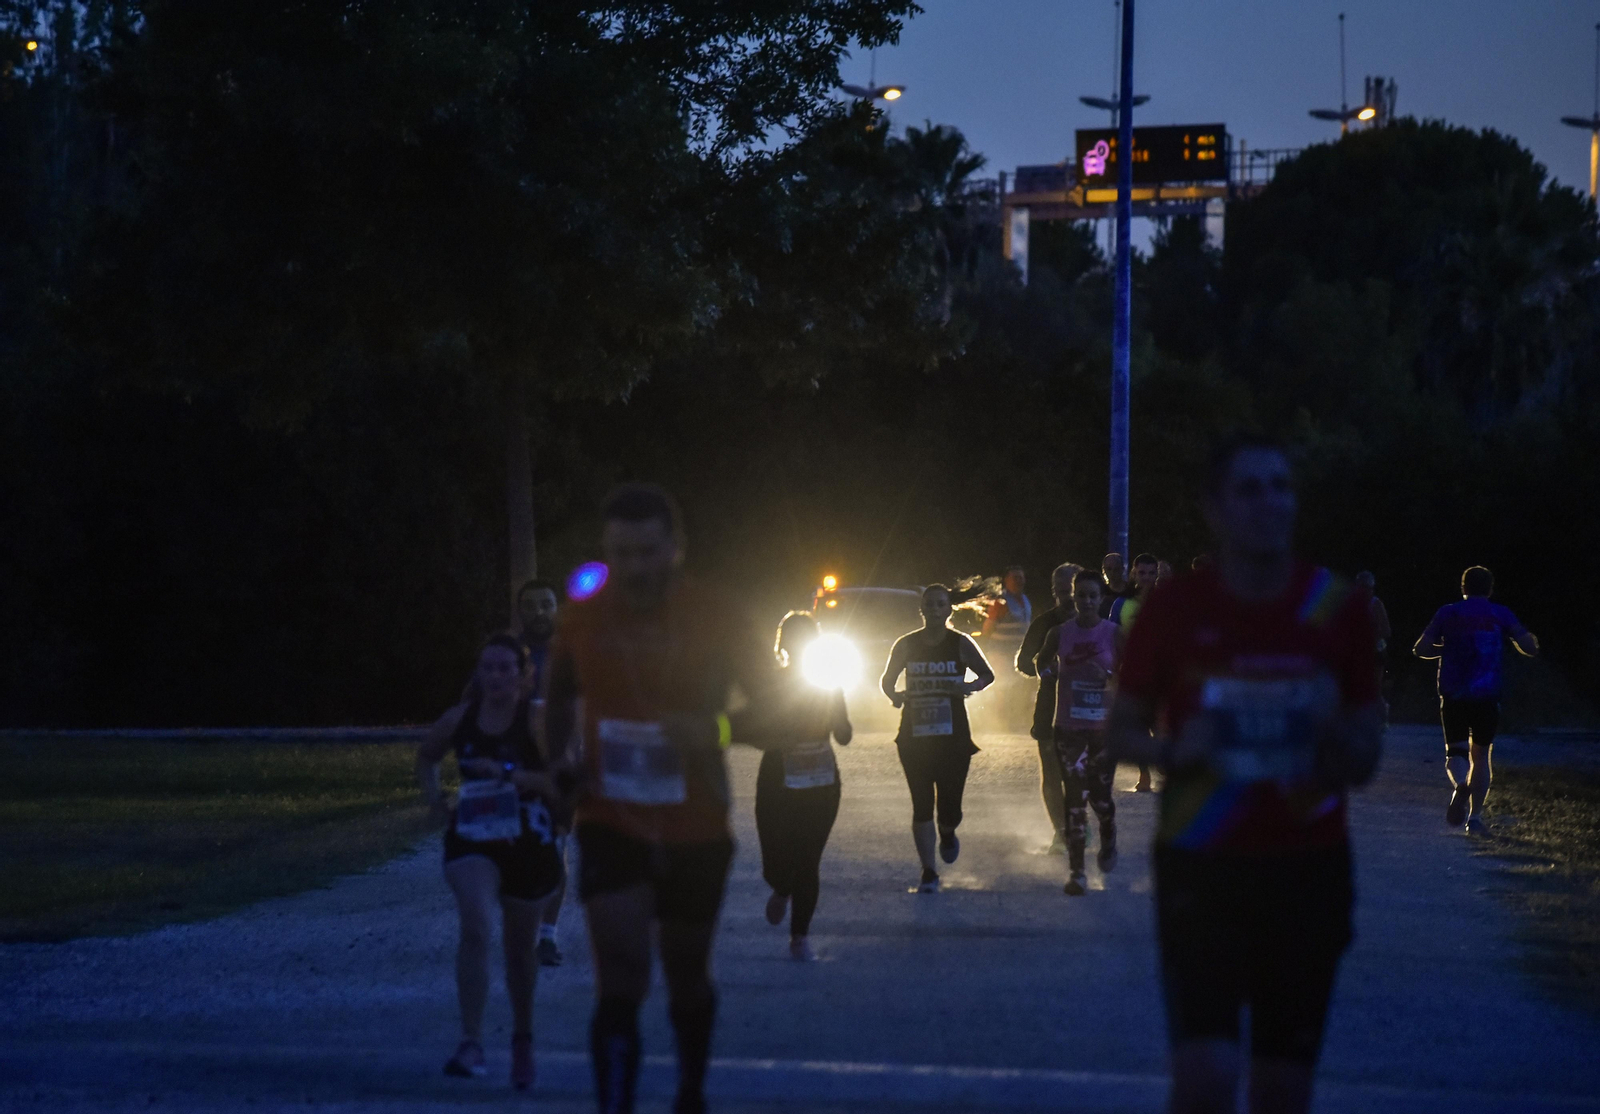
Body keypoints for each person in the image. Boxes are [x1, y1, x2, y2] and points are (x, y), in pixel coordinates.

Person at [1108, 436, 1383, 1114]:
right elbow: (1119, 731)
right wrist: (1175, 753)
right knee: (1205, 1078)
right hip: (1202, 863)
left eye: (1281, 486)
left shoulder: (1334, 608)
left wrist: (1332, 730)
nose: (1271, 502)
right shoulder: (1174, 609)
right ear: (1215, 509)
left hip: (1306, 867)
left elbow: (1366, 757)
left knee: (1282, 1089)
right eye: (1250, 489)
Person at [543, 484, 798, 1114]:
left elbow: (785, 712)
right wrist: (559, 767)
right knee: (622, 972)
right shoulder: (582, 617)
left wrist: (715, 731)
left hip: (695, 823)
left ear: (675, 549)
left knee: (685, 973)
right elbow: (556, 695)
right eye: (620, 553)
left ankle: (690, 1094)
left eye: (647, 552)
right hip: (609, 817)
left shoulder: (720, 616)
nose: (634, 568)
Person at [416, 634, 567, 1090]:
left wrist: (512, 775)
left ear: (525, 676)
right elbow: (426, 757)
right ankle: (471, 1041)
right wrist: (436, 799)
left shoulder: (539, 721)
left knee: (519, 951)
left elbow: (567, 782)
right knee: (476, 925)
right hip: (474, 838)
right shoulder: (458, 719)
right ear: (478, 675)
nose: (496, 677)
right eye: (488, 669)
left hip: (529, 840)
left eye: (506, 669)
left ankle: (522, 1038)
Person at [881, 583, 996, 893]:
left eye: (939, 604)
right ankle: (928, 871)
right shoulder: (905, 645)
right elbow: (886, 681)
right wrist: (895, 696)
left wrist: (970, 686)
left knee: (949, 808)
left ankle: (947, 831)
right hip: (913, 736)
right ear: (921, 609)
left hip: (953, 737)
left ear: (949, 610)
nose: (933, 609)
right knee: (921, 804)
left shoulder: (961, 644)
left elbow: (988, 674)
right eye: (928, 604)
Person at [1413, 566, 1539, 835]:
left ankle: (1460, 784)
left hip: (1453, 693)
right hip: (1487, 694)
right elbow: (1529, 648)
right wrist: (1526, 641)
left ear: (1463, 588)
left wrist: (1444, 649)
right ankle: (1475, 818)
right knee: (1481, 755)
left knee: (1455, 752)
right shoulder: (1500, 613)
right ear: (1490, 589)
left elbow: (1420, 649)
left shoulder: (1448, 612)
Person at [756, 612, 852, 961]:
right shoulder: (769, 683)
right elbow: (755, 730)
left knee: (809, 860)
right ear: (784, 645)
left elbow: (844, 735)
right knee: (774, 858)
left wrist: (835, 717)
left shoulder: (828, 683)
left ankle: (800, 937)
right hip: (776, 780)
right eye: (792, 639)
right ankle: (781, 886)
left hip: (821, 782)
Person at [1035, 571, 1119, 895]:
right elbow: (1039, 664)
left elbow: (1133, 679)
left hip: (1102, 730)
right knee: (1074, 799)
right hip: (1069, 727)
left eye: (1092, 596)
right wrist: (1049, 671)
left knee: (1100, 798)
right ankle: (1077, 872)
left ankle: (1109, 834)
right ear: (1073, 596)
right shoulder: (1059, 633)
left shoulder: (1113, 634)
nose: (1086, 601)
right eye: (1081, 595)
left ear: (1100, 600)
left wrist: (1111, 676)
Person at [1015, 563, 1085, 852]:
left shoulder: (1098, 620)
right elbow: (1023, 661)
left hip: (1087, 705)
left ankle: (1080, 823)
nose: (1064, 595)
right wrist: (1044, 667)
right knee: (1052, 771)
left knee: (1080, 772)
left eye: (1069, 588)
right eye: (1059, 589)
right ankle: (1060, 831)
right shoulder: (1045, 623)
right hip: (1050, 703)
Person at [1111, 553, 1161, 792]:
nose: (1147, 577)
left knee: (1163, 724)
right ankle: (1145, 775)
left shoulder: (1167, 601)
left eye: (1152, 573)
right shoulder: (1122, 603)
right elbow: (1113, 636)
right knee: (1140, 725)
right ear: (1134, 574)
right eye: (1142, 572)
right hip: (1133, 672)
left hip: (1163, 672)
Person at [1355, 571, 1393, 723]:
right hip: (1358, 652)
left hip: (1375, 651)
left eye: (1367, 588)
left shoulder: (1375, 604)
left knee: (1374, 687)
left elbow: (1386, 631)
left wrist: (1371, 632)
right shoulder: (1352, 603)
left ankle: (1382, 718)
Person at [982, 566, 1033, 640]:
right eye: (1015, 578)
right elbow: (988, 629)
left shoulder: (1026, 599)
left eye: (1021, 578)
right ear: (1006, 580)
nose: (1018, 581)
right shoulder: (1000, 601)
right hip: (1001, 649)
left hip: (1020, 649)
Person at [1098, 553, 1129, 619]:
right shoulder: (1100, 592)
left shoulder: (1131, 591)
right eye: (1109, 569)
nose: (1112, 573)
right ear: (1104, 570)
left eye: (1116, 569)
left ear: (1122, 569)